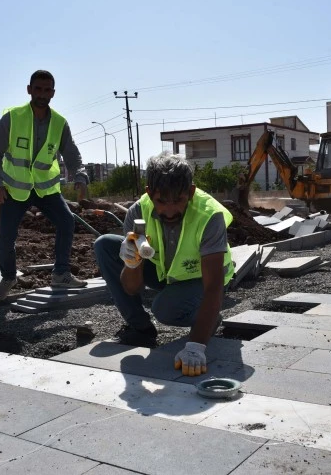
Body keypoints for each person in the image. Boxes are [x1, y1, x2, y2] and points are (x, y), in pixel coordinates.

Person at [94, 153, 235, 376]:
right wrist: (132, 263)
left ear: (190, 192)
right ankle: (140, 329)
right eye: (161, 201)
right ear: (150, 193)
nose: (170, 211)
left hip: (200, 279)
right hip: (166, 272)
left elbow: (213, 286)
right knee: (104, 245)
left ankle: (208, 317)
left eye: (178, 200)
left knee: (165, 309)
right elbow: (132, 288)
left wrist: (196, 346)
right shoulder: (138, 212)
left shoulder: (209, 216)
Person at [0, 70, 89, 302]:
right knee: (6, 237)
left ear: (53, 93)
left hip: (45, 189)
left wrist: (80, 175)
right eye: (38, 89)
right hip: (14, 189)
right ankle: (8, 278)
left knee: (66, 221)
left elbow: (72, 155)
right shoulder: (12, 118)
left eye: (47, 90)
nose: (42, 94)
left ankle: (61, 273)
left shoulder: (60, 123)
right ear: (29, 89)